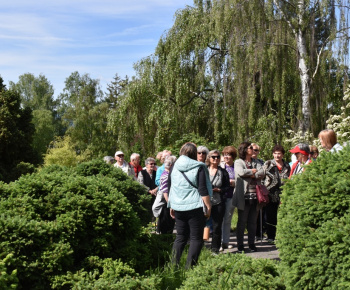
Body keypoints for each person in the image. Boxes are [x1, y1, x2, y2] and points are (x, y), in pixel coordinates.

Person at [168, 143, 212, 268]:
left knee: (180, 237)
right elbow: (203, 190)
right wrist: (208, 207)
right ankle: (190, 268)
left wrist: (171, 205)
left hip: (178, 207)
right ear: (194, 154)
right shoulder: (199, 167)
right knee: (196, 238)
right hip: (195, 207)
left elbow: (171, 187)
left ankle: (173, 266)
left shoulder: (174, 166)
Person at [233, 142, 265, 253]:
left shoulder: (256, 162)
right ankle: (240, 245)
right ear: (245, 149)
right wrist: (252, 171)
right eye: (251, 148)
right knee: (242, 222)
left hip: (256, 197)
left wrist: (252, 174)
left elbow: (262, 172)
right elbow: (240, 172)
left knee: (252, 222)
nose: (253, 149)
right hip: (243, 196)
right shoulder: (238, 162)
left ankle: (251, 244)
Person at [263, 145, 291, 244]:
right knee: (270, 215)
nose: (277, 155)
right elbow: (262, 176)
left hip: (283, 193)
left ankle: (284, 235)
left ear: (283, 154)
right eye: (275, 153)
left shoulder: (287, 165)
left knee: (283, 215)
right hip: (270, 193)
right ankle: (271, 236)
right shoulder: (268, 163)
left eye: (279, 153)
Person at [206, 150, 230, 254]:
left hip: (218, 201)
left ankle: (215, 249)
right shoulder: (204, 170)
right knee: (202, 224)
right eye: (213, 157)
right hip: (204, 201)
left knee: (217, 226)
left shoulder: (223, 172)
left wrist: (219, 190)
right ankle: (199, 246)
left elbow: (227, 187)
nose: (216, 159)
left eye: (217, 157)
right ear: (209, 158)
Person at [152, 155, 177, 234]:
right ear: (171, 165)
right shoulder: (166, 175)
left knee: (168, 225)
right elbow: (165, 191)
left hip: (167, 202)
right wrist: (170, 205)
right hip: (166, 203)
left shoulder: (168, 173)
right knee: (166, 225)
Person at [219, 146, 237, 251]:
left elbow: (240, 181)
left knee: (228, 219)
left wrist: (232, 182)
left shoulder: (236, 167)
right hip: (221, 196)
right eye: (225, 154)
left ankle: (226, 241)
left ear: (233, 156)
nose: (226, 157)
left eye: (228, 154)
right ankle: (219, 242)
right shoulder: (221, 166)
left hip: (232, 196)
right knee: (220, 220)